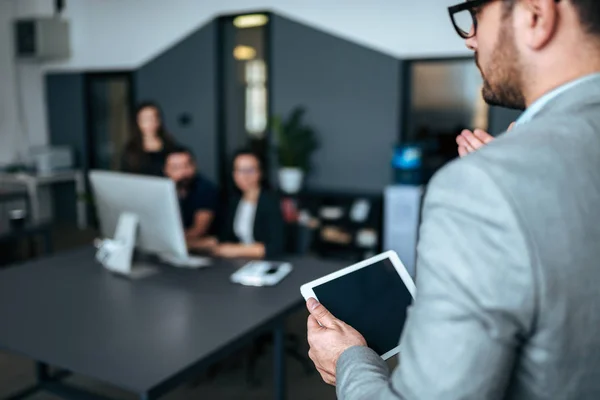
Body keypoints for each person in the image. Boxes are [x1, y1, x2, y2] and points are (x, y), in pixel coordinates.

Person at [307, 0, 600, 399]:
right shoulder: (511, 177)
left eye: (476, 15)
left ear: (536, 15)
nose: (470, 39)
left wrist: (349, 361)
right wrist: (512, 180)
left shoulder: (483, 185)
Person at [214, 149, 284, 259]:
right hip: (237, 263)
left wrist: (234, 250)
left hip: (267, 263)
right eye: (240, 170)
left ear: (260, 172)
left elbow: (275, 247)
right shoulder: (233, 201)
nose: (245, 176)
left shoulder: (271, 202)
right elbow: (225, 238)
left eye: (250, 170)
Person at [163, 146, 219, 249]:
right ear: (166, 170)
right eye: (176, 168)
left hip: (204, 250)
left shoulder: (206, 189)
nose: (183, 172)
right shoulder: (163, 190)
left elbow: (199, 230)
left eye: (187, 166)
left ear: (194, 166)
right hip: (179, 246)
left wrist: (166, 241)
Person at [122, 101, 176, 176]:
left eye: (153, 118)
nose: (150, 122)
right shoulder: (131, 148)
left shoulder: (169, 145)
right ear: (137, 122)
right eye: (145, 119)